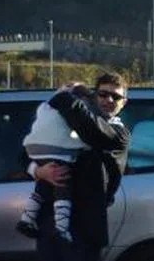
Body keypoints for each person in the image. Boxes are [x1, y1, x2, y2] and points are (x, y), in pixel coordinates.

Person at [32, 73, 130, 261]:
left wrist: (63, 98)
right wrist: (38, 169)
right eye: (102, 94)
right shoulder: (70, 122)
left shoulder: (117, 132)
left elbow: (94, 132)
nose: (108, 100)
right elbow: (29, 150)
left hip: (85, 223)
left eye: (115, 96)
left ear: (124, 103)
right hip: (50, 217)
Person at [16, 83, 98, 242]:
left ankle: (26, 220)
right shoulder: (75, 110)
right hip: (56, 150)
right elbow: (86, 137)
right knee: (62, 184)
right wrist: (37, 172)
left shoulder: (45, 108)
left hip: (34, 149)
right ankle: (61, 228)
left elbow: (23, 155)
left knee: (42, 187)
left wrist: (39, 171)